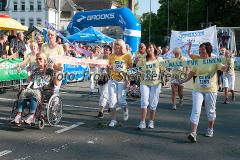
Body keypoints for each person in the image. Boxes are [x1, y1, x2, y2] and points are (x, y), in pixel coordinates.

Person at [180, 42, 228, 142]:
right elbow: (191, 74)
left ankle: (210, 129)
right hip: (198, 89)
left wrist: (228, 62)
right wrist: (183, 81)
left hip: (211, 90)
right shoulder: (198, 61)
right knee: (196, 110)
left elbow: (223, 68)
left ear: (208, 51)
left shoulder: (215, 60)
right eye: (200, 50)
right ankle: (193, 133)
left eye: (203, 50)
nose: (201, 51)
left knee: (210, 111)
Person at [13, 52, 59, 125]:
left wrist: (56, 73)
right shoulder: (35, 70)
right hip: (34, 90)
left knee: (35, 93)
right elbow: (30, 81)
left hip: (46, 92)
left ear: (45, 60)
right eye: (37, 59)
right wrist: (28, 74)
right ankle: (18, 115)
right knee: (23, 92)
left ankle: (31, 115)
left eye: (40, 59)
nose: (38, 60)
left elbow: (56, 83)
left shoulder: (50, 70)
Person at [137, 43, 165, 129]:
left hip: (156, 84)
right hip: (144, 83)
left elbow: (163, 70)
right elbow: (137, 69)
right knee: (144, 102)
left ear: (154, 49)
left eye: (151, 47)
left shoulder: (159, 59)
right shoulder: (142, 59)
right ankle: (142, 122)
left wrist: (164, 79)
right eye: (148, 48)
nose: (149, 49)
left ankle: (151, 121)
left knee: (153, 103)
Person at [108, 39, 132, 127]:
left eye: (119, 45)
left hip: (123, 80)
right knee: (112, 101)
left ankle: (125, 110)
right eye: (116, 45)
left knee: (121, 100)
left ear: (122, 46)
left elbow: (130, 69)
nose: (117, 46)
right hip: (112, 79)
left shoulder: (127, 56)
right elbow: (109, 68)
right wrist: (109, 67)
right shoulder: (111, 56)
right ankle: (113, 120)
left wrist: (128, 80)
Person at [96, 45, 112, 118]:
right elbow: (94, 65)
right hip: (100, 78)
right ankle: (110, 105)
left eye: (107, 50)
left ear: (110, 51)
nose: (105, 51)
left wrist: (109, 68)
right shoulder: (100, 57)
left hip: (108, 79)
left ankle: (101, 111)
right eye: (104, 50)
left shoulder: (112, 59)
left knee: (104, 95)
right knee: (103, 94)